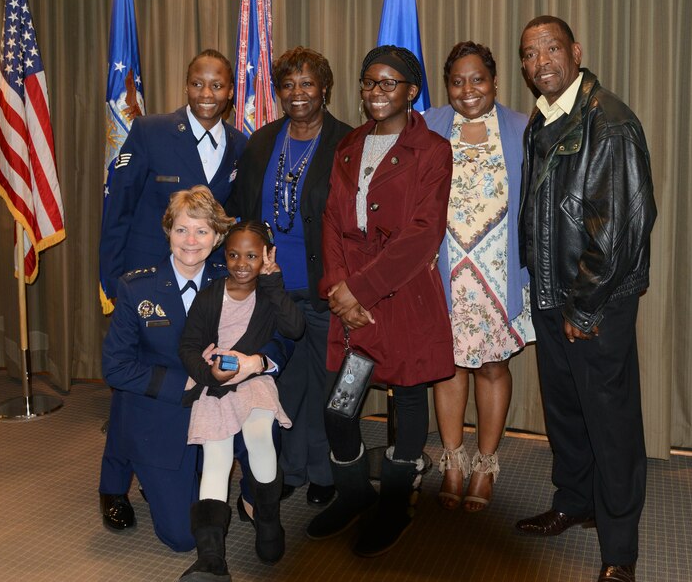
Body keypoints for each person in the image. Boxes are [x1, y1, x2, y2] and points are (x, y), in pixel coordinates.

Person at [514, 16, 656, 582]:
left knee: (610, 421)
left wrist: (584, 306)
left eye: (551, 47)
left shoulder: (610, 122)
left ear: (575, 51)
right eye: (530, 52)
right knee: (566, 411)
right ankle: (575, 502)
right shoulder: (544, 118)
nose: (541, 59)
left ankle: (620, 551)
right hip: (553, 294)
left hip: (593, 301)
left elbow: (623, 226)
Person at [306, 45, 454, 557]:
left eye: (389, 83)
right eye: (369, 82)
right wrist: (338, 288)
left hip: (400, 290)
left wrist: (359, 289)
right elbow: (330, 219)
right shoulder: (348, 143)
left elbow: (422, 233)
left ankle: (394, 504)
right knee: (339, 408)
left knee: (408, 399)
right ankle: (352, 495)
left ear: (412, 92)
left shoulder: (433, 149)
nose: (376, 93)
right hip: (349, 296)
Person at [98, 49, 249, 531]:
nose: (208, 94)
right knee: (132, 388)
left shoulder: (240, 145)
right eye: (199, 84)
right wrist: (111, 277)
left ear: (230, 92)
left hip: (201, 282)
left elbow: (232, 218)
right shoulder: (149, 131)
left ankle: (175, 460)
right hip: (146, 283)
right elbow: (117, 205)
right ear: (187, 85)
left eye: (218, 86)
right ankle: (113, 485)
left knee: (190, 378)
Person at [100, 186, 289, 552]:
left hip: (228, 399)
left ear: (218, 237)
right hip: (168, 409)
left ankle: (256, 501)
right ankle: (133, 468)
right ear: (167, 230)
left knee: (266, 423)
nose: (190, 240)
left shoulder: (236, 274)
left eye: (202, 230)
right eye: (181, 229)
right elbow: (116, 368)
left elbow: (282, 335)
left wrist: (259, 362)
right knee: (183, 538)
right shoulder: (136, 289)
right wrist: (185, 381)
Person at [228, 47, 352, 506]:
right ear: (278, 91)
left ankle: (322, 472)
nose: (297, 93)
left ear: (325, 89)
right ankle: (282, 472)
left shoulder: (347, 143)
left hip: (324, 290)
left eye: (307, 83)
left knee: (322, 384)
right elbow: (242, 211)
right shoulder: (261, 142)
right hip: (270, 290)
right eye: (288, 85)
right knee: (275, 384)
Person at [423, 42, 535, 512]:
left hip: (498, 273)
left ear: (494, 81)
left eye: (478, 79)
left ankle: (485, 465)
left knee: (492, 368)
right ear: (446, 85)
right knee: (448, 369)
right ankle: (452, 461)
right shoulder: (427, 125)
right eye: (457, 81)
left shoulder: (522, 128)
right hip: (444, 274)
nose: (467, 90)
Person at [177, 221, 305, 579]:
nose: (241, 263)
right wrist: (209, 375)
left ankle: (267, 519)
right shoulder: (209, 295)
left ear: (266, 256)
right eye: (234, 254)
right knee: (216, 455)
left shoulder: (268, 293)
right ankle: (211, 557)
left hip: (254, 380)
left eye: (252, 255)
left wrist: (274, 281)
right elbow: (187, 346)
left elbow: (295, 330)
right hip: (214, 384)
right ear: (224, 255)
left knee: (260, 435)